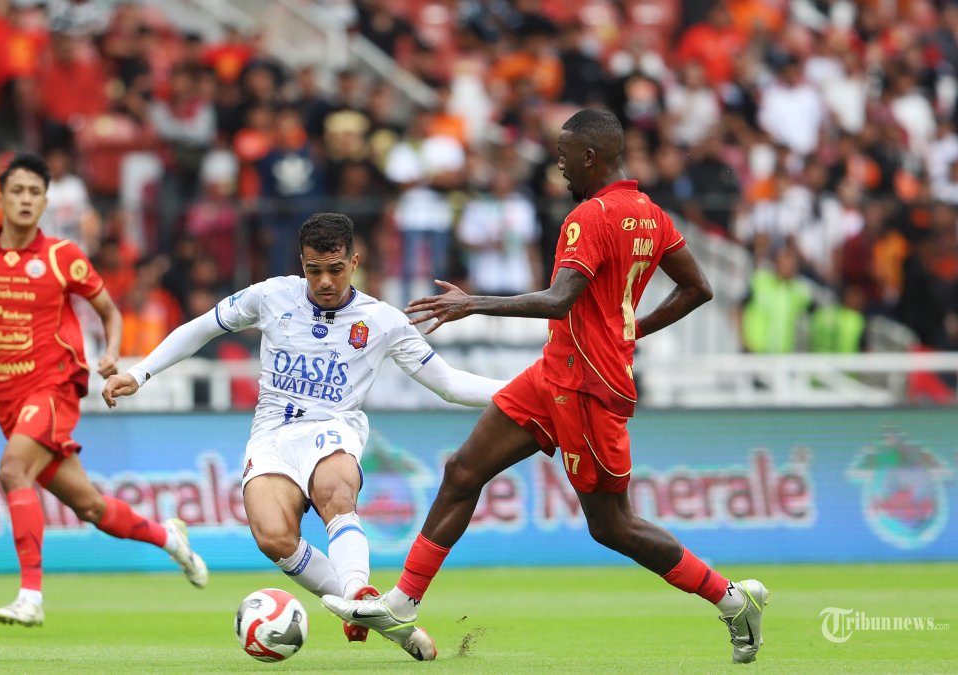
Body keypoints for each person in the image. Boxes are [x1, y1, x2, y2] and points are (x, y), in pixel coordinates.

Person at [323, 110, 771, 664]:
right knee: (463, 471)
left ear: (591, 157)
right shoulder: (651, 214)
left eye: (564, 154)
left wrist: (474, 302)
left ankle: (732, 599)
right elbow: (696, 287)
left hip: (587, 385)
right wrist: (627, 328)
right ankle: (402, 603)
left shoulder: (589, 217)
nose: (557, 164)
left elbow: (560, 299)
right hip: (554, 371)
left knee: (612, 526)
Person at [102, 212, 506, 660]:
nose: (325, 281)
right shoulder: (271, 296)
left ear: (354, 261)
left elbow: (448, 383)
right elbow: (202, 328)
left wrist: (525, 394)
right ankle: (368, 614)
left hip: (334, 427)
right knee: (273, 537)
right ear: (302, 263)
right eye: (315, 270)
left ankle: (356, 591)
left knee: (336, 489)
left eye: (335, 269)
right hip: (273, 432)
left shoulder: (381, 320)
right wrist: (139, 373)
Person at [0, 153, 208, 629]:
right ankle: (170, 538)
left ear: (44, 202)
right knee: (91, 507)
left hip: (55, 387)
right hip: (9, 399)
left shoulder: (63, 257)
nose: (24, 199)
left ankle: (30, 596)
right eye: (16, 191)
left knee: (13, 470)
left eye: (34, 192)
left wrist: (111, 352)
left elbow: (110, 311)